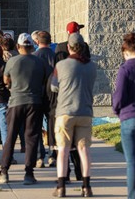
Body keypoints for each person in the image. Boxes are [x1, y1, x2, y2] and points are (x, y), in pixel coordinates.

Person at [0, 33, 47, 185]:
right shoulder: (39, 62)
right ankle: (29, 174)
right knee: (31, 138)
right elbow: (44, 80)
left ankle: (4, 171)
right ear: (32, 46)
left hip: (16, 102)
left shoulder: (12, 61)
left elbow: (5, 80)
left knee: (10, 137)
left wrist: (12, 86)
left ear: (18, 46)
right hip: (34, 103)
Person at [51, 33, 96, 197]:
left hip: (65, 112)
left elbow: (53, 87)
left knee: (63, 150)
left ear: (69, 47)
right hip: (85, 111)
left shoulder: (61, 65)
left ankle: (61, 186)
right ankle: (86, 186)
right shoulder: (92, 66)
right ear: (83, 47)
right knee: (84, 150)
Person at [54, 22, 84, 181]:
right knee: (80, 144)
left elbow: (54, 84)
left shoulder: (59, 48)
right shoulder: (85, 48)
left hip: (64, 100)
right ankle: (82, 176)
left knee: (64, 144)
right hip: (81, 100)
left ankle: (63, 178)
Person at [112, 33, 135, 199]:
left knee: (132, 162)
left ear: (125, 52)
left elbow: (119, 96)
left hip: (129, 117)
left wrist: (116, 110)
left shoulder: (125, 69)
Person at [32, 30, 55, 168]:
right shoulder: (56, 56)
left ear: (38, 42)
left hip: (37, 94)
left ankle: (39, 156)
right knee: (52, 127)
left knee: (37, 126)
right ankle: (53, 155)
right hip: (53, 95)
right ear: (50, 41)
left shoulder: (34, 57)